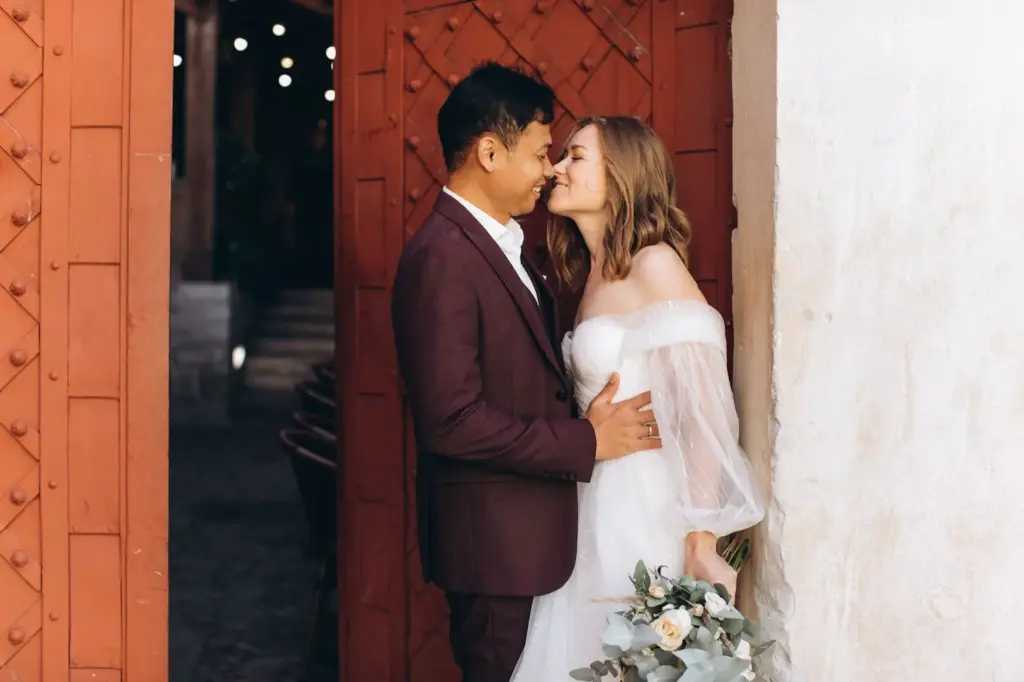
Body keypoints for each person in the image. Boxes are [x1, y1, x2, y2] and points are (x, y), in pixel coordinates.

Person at [390, 64, 662, 682]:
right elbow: (452, 422)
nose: (549, 169)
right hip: (493, 552)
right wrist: (587, 441)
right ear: (490, 153)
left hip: (533, 542)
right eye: (541, 153)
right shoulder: (442, 257)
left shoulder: (504, 245)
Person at [509, 116, 766, 680]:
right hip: (590, 510)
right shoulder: (593, 275)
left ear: (621, 173)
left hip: (644, 509)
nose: (557, 168)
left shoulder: (656, 265)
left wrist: (700, 539)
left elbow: (699, 413)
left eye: (576, 157)